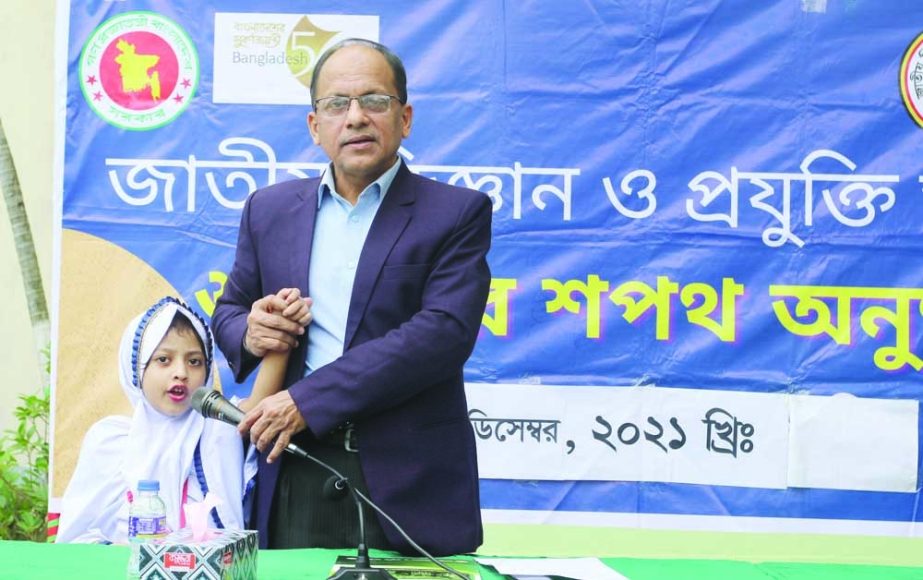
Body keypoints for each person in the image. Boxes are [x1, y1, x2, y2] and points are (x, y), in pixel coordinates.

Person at [212, 38, 492, 556]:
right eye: (337, 104)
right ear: (315, 126)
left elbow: (443, 334)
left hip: (408, 479)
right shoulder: (268, 210)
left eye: (375, 101)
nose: (356, 117)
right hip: (294, 463)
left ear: (405, 118)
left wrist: (307, 400)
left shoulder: (456, 213)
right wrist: (252, 331)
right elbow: (228, 311)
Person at [56, 294, 304, 544]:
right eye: (163, 360)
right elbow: (78, 537)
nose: (181, 373)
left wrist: (282, 326)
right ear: (136, 370)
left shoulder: (220, 428)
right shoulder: (110, 440)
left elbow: (257, 409)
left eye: (194, 362)